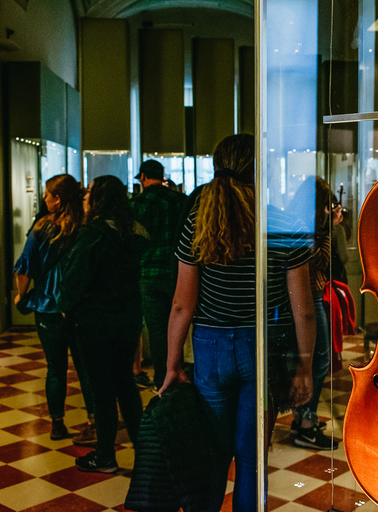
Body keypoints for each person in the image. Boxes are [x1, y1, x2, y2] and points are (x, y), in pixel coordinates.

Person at [159, 134, 315, 512]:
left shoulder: (199, 220)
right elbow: (303, 308)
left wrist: (172, 363)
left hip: (211, 346)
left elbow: (183, 304)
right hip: (264, 346)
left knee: (212, 453)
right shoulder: (284, 221)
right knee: (251, 460)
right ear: (259, 170)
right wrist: (305, 366)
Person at [59, 175, 148, 473]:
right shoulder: (138, 232)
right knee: (125, 384)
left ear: (98, 200)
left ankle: (106, 456)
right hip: (129, 318)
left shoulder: (92, 233)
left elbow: (75, 278)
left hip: (95, 320)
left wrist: (65, 308)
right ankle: (144, 454)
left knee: (102, 389)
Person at [13, 174, 96, 443]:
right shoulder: (86, 227)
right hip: (80, 307)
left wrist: (20, 295)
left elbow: (24, 267)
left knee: (55, 368)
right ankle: (94, 420)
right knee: (86, 367)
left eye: (47, 194)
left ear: (57, 199)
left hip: (48, 307)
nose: (45, 199)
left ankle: (57, 424)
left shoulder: (41, 228)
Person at [288, 176, 338, 450]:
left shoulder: (311, 226)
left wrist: (325, 228)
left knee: (317, 359)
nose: (329, 210)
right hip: (305, 296)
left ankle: (304, 419)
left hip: (311, 293)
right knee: (316, 360)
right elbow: (318, 259)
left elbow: (321, 260)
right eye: (326, 205)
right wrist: (323, 230)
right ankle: (305, 424)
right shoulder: (303, 227)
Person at [131, 159, 188, 389]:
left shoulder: (138, 204)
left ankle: (162, 379)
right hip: (178, 273)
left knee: (156, 331)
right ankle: (181, 374)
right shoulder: (179, 201)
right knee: (179, 327)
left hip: (148, 273)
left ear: (143, 177)